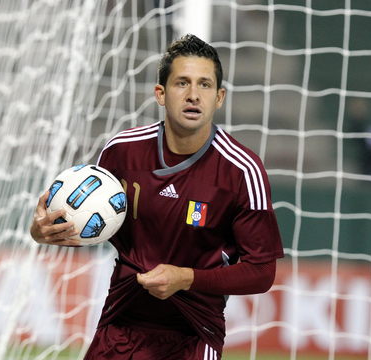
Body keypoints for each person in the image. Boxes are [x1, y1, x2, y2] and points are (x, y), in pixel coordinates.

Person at [30, 34, 284, 360]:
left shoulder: (242, 171)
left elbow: (262, 272)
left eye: (205, 85)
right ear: (160, 94)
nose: (194, 95)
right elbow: (93, 225)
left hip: (193, 334)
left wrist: (186, 278)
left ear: (219, 97)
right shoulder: (123, 152)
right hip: (120, 324)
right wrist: (46, 231)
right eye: (182, 83)